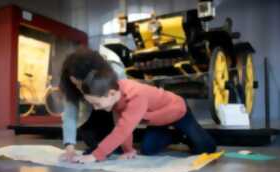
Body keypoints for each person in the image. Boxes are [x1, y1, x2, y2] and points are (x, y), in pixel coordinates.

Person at [70, 65, 217, 164]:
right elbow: (120, 125)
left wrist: (95, 155)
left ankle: (186, 133)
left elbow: (122, 130)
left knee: (206, 148)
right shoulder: (114, 96)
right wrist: (128, 150)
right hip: (156, 120)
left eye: (97, 104)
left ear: (111, 94)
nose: (95, 109)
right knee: (148, 149)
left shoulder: (135, 96)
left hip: (177, 112)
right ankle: (178, 136)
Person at [59, 47, 126, 162]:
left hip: (113, 110)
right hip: (91, 112)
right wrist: (69, 148)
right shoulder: (70, 82)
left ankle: (114, 144)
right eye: (75, 83)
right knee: (91, 139)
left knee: (116, 142)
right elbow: (70, 114)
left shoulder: (115, 72)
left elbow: (125, 106)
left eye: (81, 83)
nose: (79, 88)